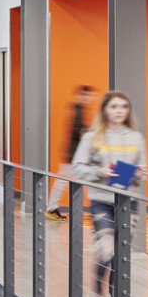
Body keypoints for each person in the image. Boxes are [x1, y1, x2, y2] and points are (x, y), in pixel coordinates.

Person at [70, 91, 147, 297]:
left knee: (120, 255)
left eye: (123, 106)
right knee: (105, 250)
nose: (119, 110)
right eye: (114, 106)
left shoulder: (136, 137)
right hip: (101, 201)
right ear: (105, 109)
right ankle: (96, 292)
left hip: (128, 202)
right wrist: (99, 172)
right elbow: (77, 168)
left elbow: (142, 170)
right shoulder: (91, 137)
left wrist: (138, 174)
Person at [45, 85, 98, 219]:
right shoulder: (78, 110)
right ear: (79, 96)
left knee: (65, 180)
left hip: (72, 152)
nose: (88, 98)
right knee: (70, 180)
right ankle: (52, 208)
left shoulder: (78, 109)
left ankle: (53, 207)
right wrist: (91, 132)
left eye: (89, 95)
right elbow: (77, 130)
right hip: (73, 154)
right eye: (85, 95)